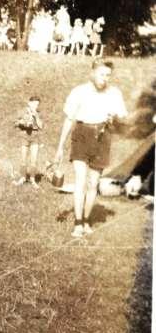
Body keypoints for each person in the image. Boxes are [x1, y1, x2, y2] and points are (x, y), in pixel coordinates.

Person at [54, 59, 128, 238]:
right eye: (102, 74)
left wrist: (115, 120)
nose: (105, 79)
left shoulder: (114, 93)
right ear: (93, 73)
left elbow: (123, 120)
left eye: (108, 75)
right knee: (80, 179)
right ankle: (78, 223)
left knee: (93, 183)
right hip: (82, 134)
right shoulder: (79, 92)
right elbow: (69, 119)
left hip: (103, 137)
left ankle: (86, 221)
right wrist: (60, 147)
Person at [13, 96, 43, 189]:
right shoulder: (22, 111)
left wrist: (36, 116)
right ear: (29, 103)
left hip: (35, 137)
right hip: (24, 136)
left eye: (37, 104)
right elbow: (15, 123)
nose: (36, 106)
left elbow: (41, 126)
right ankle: (23, 178)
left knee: (33, 160)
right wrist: (21, 123)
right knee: (23, 159)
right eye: (34, 103)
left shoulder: (38, 113)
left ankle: (32, 179)